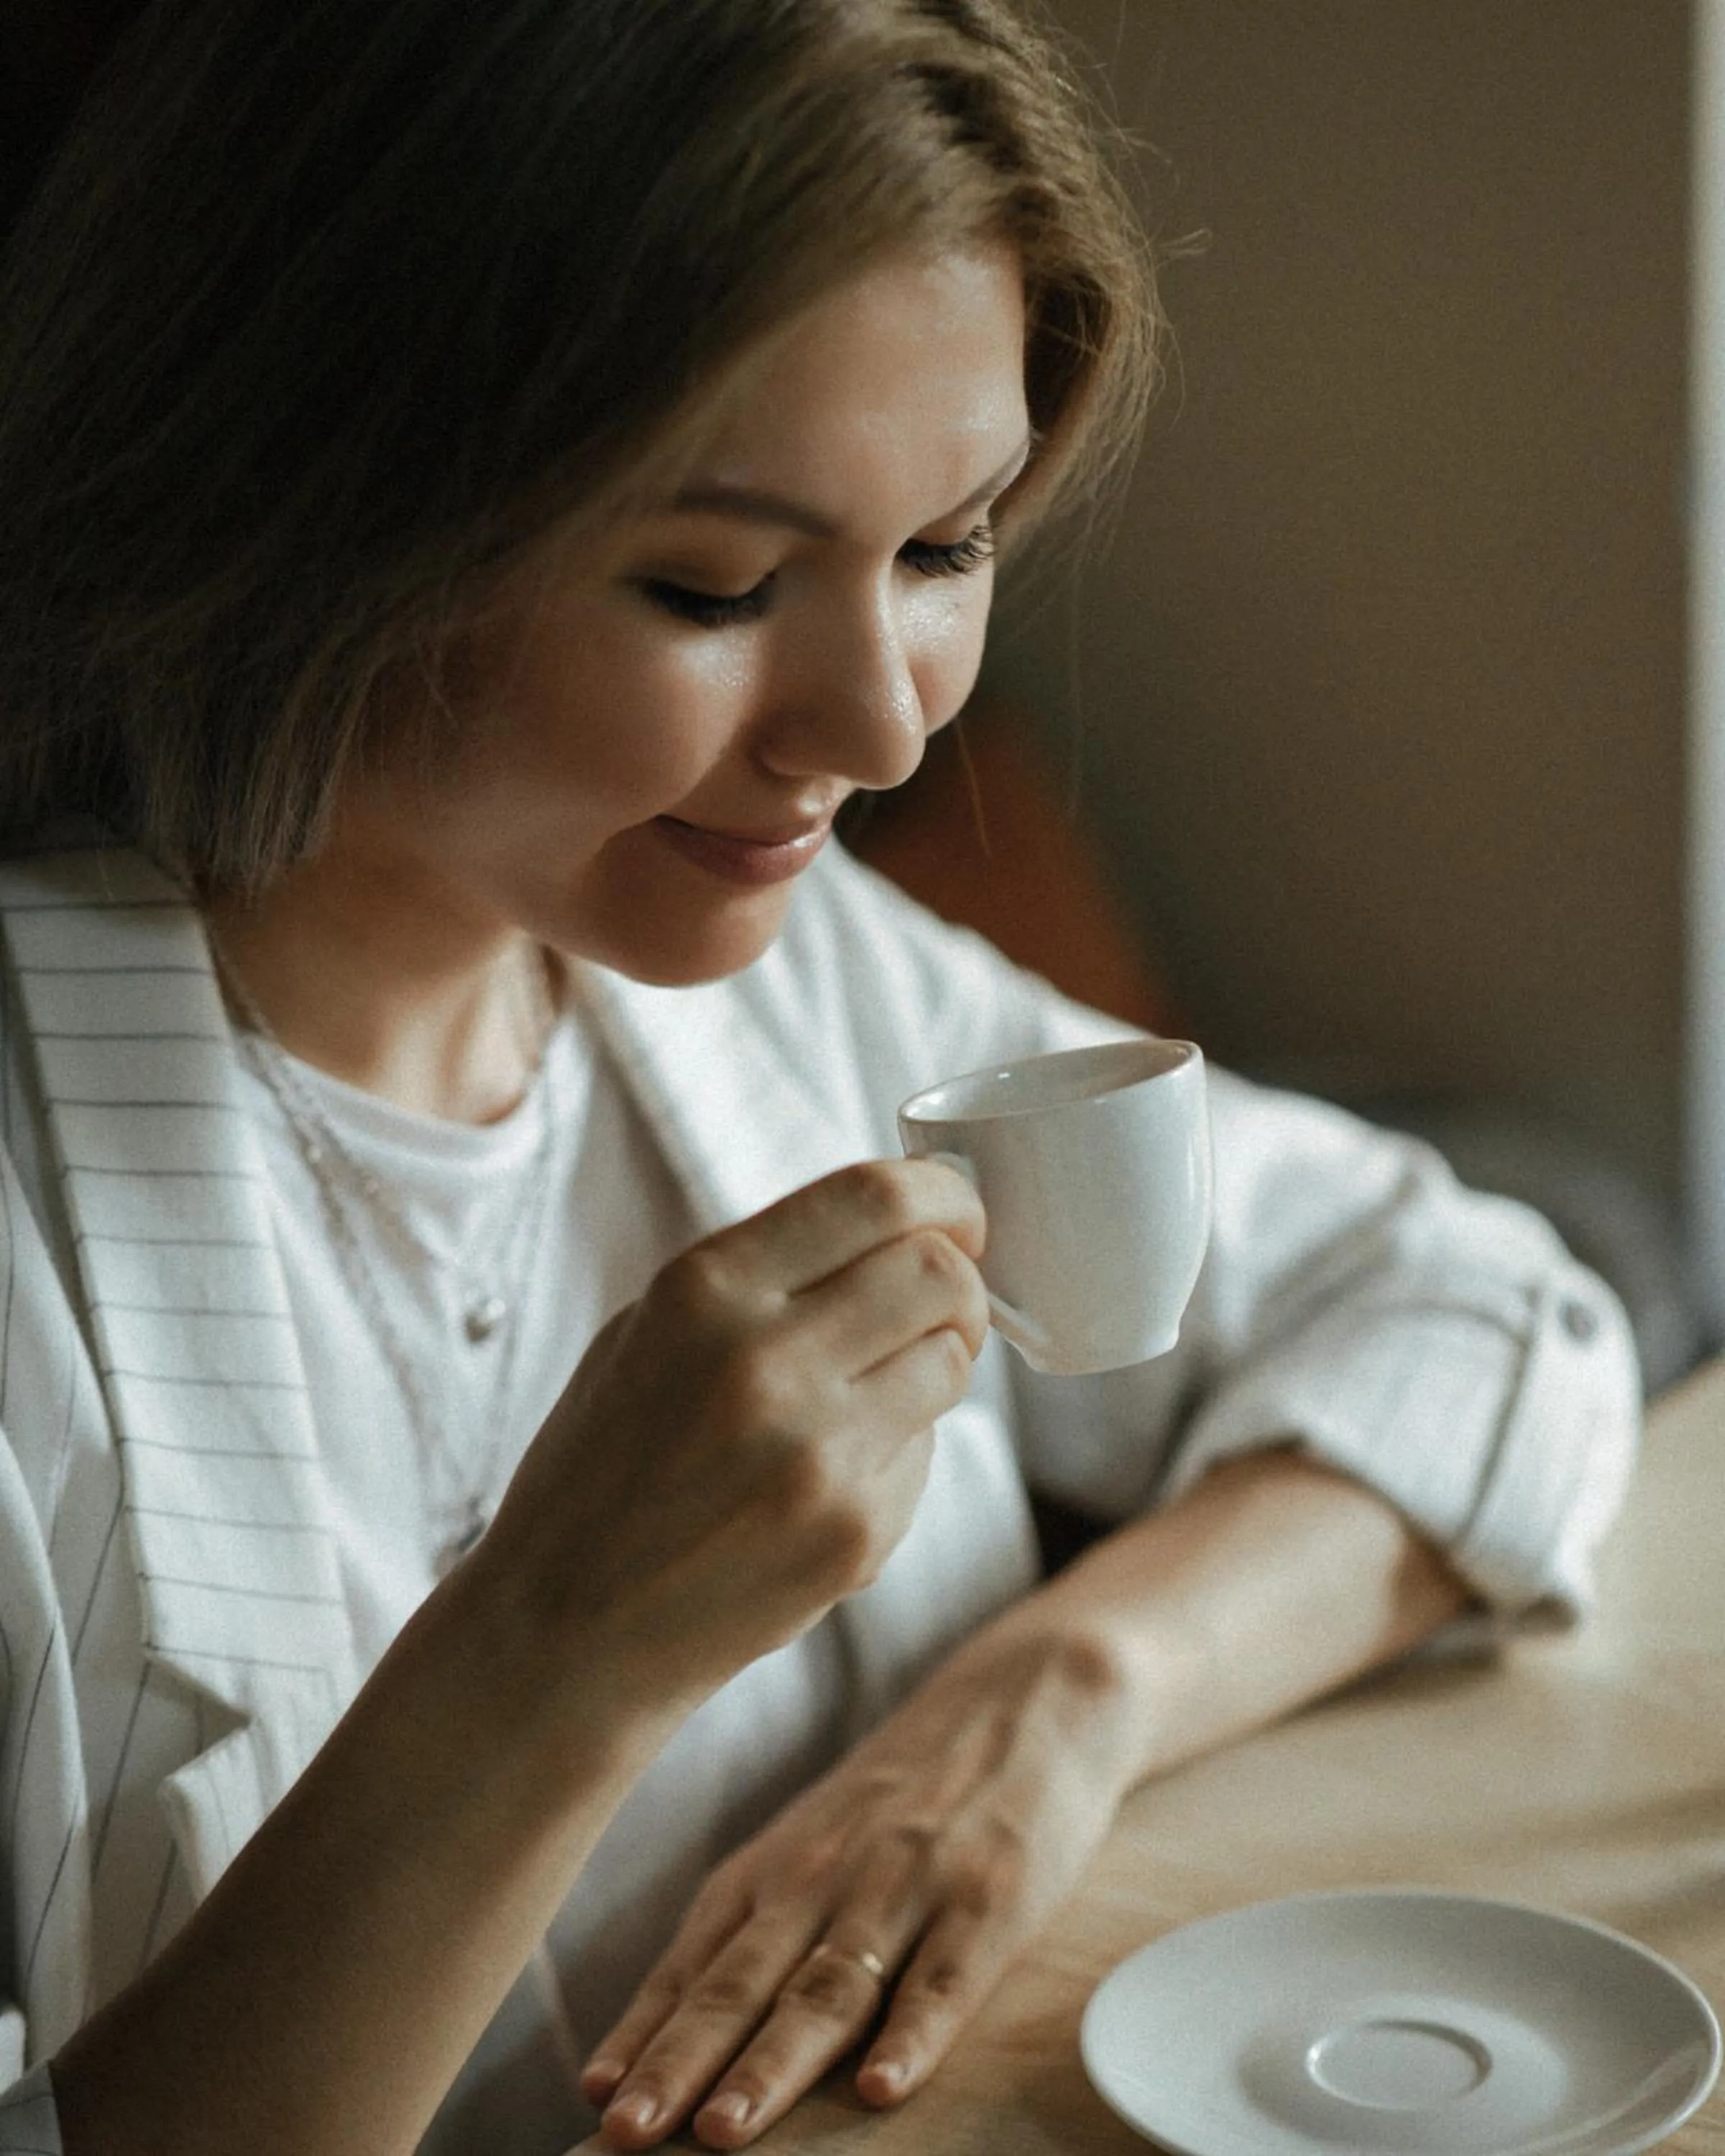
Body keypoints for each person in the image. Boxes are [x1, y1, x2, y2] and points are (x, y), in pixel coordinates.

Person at [0, 1, 1639, 2152]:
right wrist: (544, 1660)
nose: (883, 732)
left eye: (947, 550)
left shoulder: (784, 981)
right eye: (717, 585)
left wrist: (1051, 1701)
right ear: (302, 501)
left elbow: (1495, 1321)